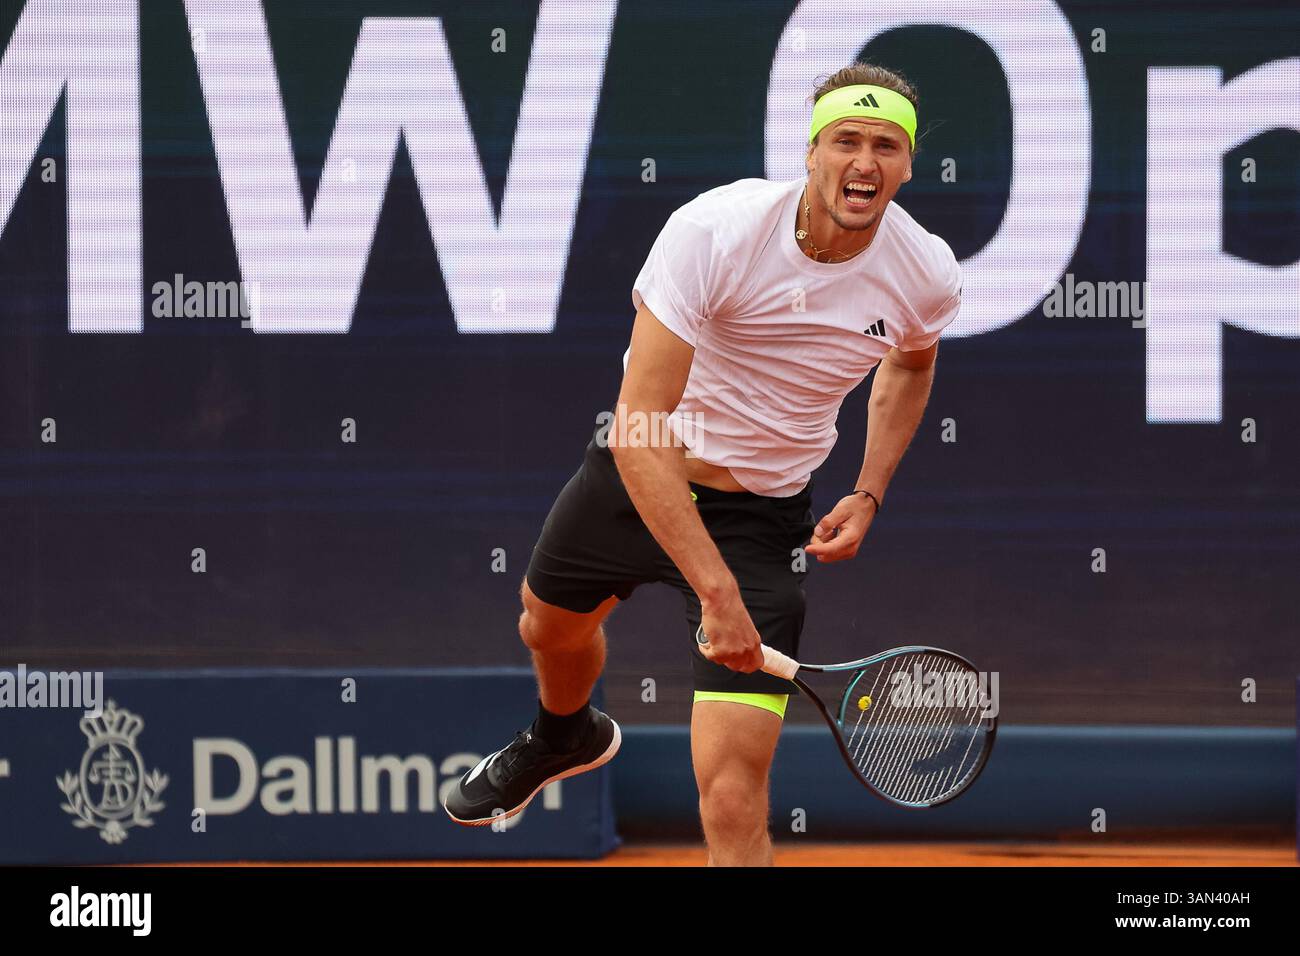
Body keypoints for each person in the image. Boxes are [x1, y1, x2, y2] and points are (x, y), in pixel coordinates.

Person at [443, 62, 962, 866]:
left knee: (730, 791)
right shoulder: (713, 232)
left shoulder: (923, 269)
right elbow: (638, 428)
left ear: (907, 164)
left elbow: (912, 362)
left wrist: (869, 490)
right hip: (637, 479)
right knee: (545, 627)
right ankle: (564, 733)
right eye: (847, 140)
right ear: (813, 149)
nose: (865, 161)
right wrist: (711, 590)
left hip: (761, 520)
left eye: (886, 145)